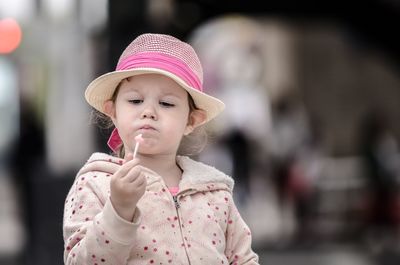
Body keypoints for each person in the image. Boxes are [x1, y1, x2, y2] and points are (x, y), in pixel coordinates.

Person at [63, 33, 259, 265]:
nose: (149, 111)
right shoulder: (96, 184)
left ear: (192, 121)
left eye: (166, 103)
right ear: (113, 112)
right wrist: (119, 209)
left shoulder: (215, 192)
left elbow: (243, 259)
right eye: (135, 101)